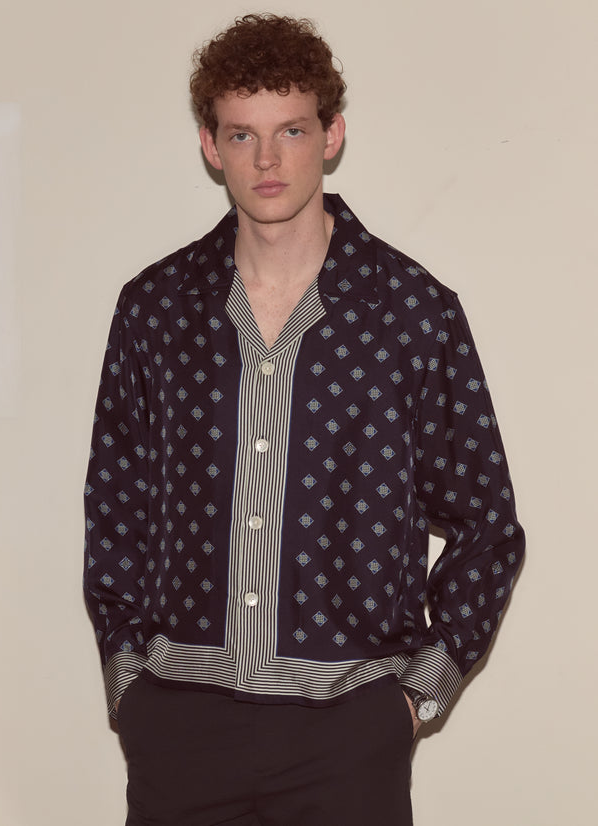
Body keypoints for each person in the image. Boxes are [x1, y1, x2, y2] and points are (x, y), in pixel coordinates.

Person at [84, 14, 525, 826]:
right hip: (179, 730)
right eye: (241, 134)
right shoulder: (154, 310)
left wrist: (411, 699)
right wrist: (128, 678)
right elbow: (116, 506)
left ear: (332, 133)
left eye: (290, 129)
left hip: (348, 737)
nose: (267, 158)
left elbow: (486, 523)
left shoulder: (413, 315)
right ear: (211, 146)